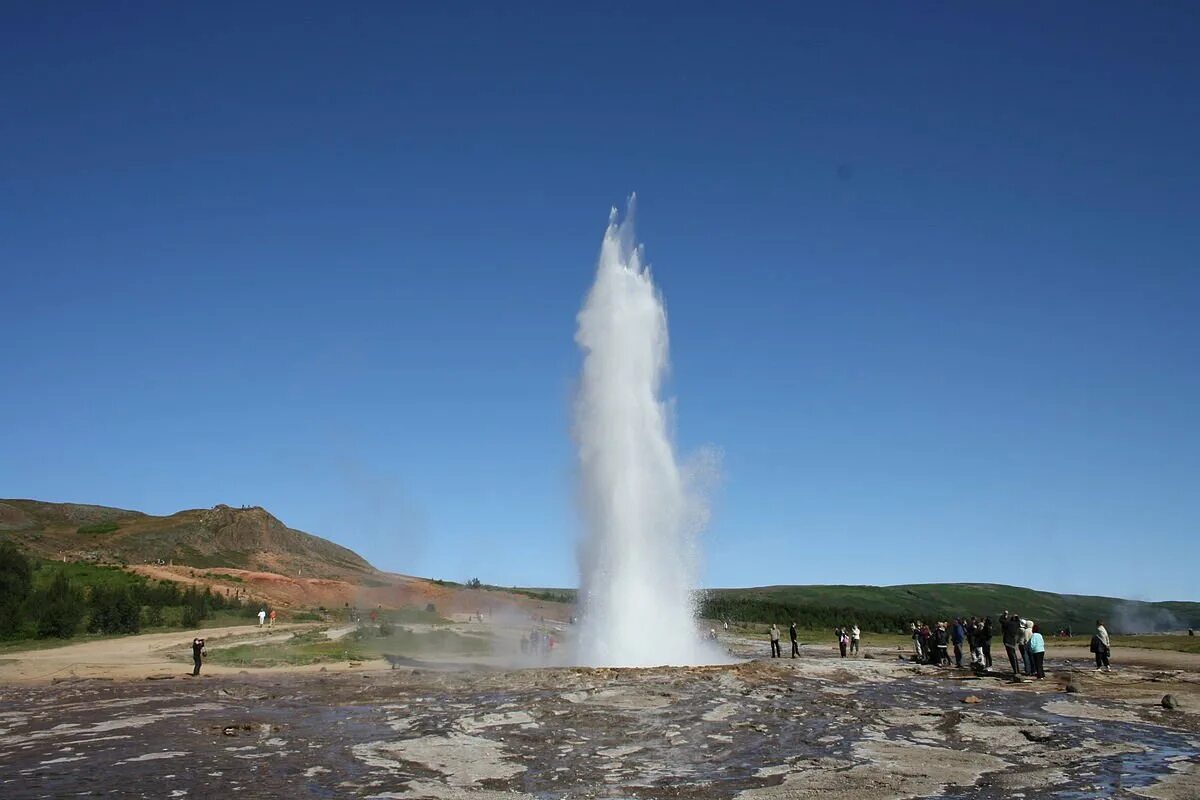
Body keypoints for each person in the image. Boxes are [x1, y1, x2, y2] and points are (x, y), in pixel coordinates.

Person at [1001, 611, 1022, 676]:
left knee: (1012, 657)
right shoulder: (1017, 623)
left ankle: (1016, 672)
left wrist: (1004, 615)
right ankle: (1017, 671)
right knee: (1014, 656)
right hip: (1013, 642)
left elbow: (1001, 621)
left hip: (1008, 641)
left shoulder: (1010, 624)